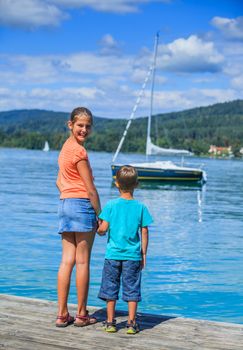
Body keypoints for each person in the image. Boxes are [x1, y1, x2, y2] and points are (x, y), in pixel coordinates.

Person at [55, 107, 101, 327]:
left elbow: (58, 182)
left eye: (87, 126)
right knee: (82, 261)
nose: (84, 129)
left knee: (67, 261)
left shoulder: (65, 148)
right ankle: (82, 315)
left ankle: (62, 314)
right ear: (70, 124)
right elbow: (90, 189)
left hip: (64, 204)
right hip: (82, 205)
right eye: (80, 125)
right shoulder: (80, 152)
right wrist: (100, 217)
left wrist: (68, 196)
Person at [97, 165, 153, 334]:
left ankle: (110, 322)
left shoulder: (111, 205)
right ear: (136, 184)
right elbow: (144, 231)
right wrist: (143, 253)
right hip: (133, 256)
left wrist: (98, 228)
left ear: (117, 184)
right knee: (132, 288)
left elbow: (103, 229)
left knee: (110, 288)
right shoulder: (141, 207)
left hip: (112, 255)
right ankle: (131, 323)